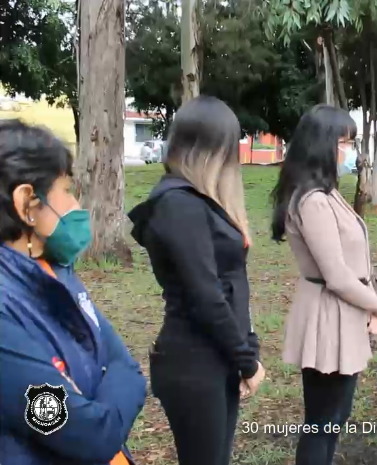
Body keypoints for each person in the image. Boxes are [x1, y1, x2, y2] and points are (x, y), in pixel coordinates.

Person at [0, 120, 146, 464]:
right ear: (26, 203)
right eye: (66, 190)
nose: (75, 205)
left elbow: (126, 367)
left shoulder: (53, 272)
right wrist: (102, 412)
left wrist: (99, 409)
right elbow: (88, 436)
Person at [128, 96, 264, 465]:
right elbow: (206, 293)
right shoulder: (178, 204)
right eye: (227, 147)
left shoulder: (200, 203)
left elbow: (231, 282)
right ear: (205, 149)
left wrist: (246, 349)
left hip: (217, 356)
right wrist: (247, 360)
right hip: (193, 360)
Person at [272, 104, 377, 465]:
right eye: (345, 143)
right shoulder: (313, 201)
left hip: (342, 309)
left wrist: (368, 303)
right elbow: (336, 275)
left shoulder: (327, 193)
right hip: (327, 314)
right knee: (322, 421)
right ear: (323, 145)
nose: (350, 152)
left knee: (333, 418)